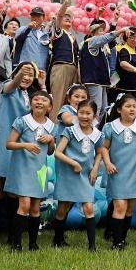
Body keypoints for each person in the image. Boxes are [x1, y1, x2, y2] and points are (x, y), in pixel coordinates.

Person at [0, 62, 42, 245]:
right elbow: (12, 84)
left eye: (30, 75)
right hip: (4, 146)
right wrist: (20, 75)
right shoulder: (8, 88)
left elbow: (44, 105)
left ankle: (12, 234)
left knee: (15, 193)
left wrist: (42, 84)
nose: (27, 78)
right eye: (23, 74)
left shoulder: (31, 96)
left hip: (21, 149)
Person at [5, 90, 56, 252]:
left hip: (40, 170)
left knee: (35, 207)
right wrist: (25, 145)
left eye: (44, 100)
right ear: (31, 103)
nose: (39, 102)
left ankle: (33, 244)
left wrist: (51, 140)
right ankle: (16, 244)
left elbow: (50, 152)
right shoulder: (22, 121)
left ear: (50, 107)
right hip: (23, 168)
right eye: (36, 99)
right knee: (24, 205)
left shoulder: (51, 126)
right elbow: (9, 144)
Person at [102, 94, 136, 250]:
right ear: (119, 109)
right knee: (120, 206)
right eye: (128, 106)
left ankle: (122, 239)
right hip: (117, 172)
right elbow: (104, 147)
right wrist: (108, 162)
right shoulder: (110, 127)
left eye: (134, 106)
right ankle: (116, 242)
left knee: (130, 208)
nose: (132, 109)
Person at [53, 100, 106, 251]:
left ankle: (92, 246)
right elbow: (58, 152)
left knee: (88, 207)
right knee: (63, 207)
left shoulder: (98, 134)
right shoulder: (70, 131)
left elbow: (99, 153)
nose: (84, 116)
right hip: (68, 174)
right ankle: (58, 239)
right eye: (81, 113)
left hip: (86, 175)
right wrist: (74, 163)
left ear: (94, 116)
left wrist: (95, 168)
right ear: (76, 114)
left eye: (88, 113)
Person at [80, 9, 125, 121]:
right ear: (93, 33)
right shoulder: (91, 41)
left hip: (101, 81)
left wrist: (114, 21)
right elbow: (107, 37)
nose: (103, 33)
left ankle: (99, 128)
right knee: (96, 108)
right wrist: (121, 30)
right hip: (94, 80)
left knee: (104, 109)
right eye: (100, 30)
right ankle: (91, 129)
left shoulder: (101, 47)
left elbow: (107, 38)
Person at [48, 0, 80, 117]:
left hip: (73, 69)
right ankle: (53, 125)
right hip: (61, 67)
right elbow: (60, 15)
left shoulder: (73, 37)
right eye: (65, 16)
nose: (67, 18)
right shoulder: (59, 32)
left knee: (70, 102)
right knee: (57, 100)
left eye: (70, 17)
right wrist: (67, 1)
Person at [111, 28, 136, 108]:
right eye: (131, 37)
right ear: (126, 38)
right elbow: (123, 63)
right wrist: (135, 70)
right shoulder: (124, 50)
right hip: (124, 88)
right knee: (123, 107)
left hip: (135, 88)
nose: (134, 40)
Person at [12, 6, 51, 72]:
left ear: (43, 18)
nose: (35, 18)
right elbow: (18, 40)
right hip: (26, 67)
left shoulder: (46, 34)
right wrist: (29, 28)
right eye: (33, 16)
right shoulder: (23, 29)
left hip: (41, 70)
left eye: (38, 16)